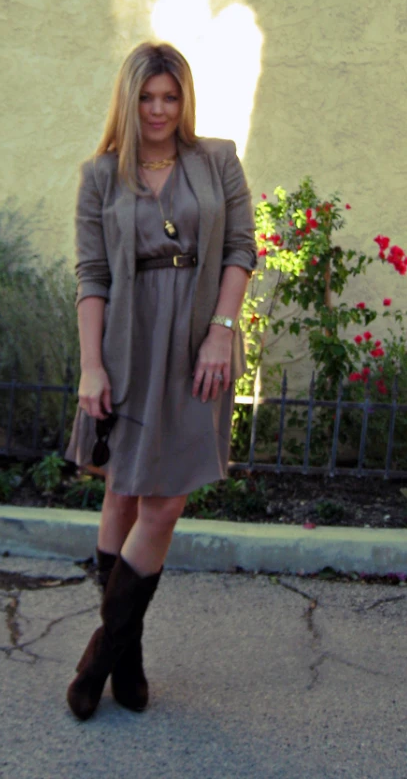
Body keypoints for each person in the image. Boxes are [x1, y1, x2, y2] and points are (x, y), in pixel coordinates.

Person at [65, 41, 256, 720]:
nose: (157, 109)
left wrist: (220, 333)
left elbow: (239, 250)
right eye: (146, 97)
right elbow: (92, 277)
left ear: (184, 101)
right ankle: (130, 653)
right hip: (125, 344)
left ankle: (99, 656)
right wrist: (91, 366)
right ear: (129, 99)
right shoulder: (99, 177)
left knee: (163, 502)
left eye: (169, 97)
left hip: (195, 347)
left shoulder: (217, 160)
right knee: (120, 493)